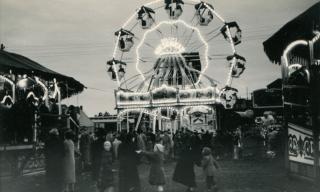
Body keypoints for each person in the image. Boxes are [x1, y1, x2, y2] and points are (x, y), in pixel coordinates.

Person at [44, 128, 64, 192]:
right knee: (58, 178)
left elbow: (45, 152)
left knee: (50, 178)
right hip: (58, 162)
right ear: (57, 134)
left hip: (50, 163)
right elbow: (63, 153)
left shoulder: (47, 141)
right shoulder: (60, 141)